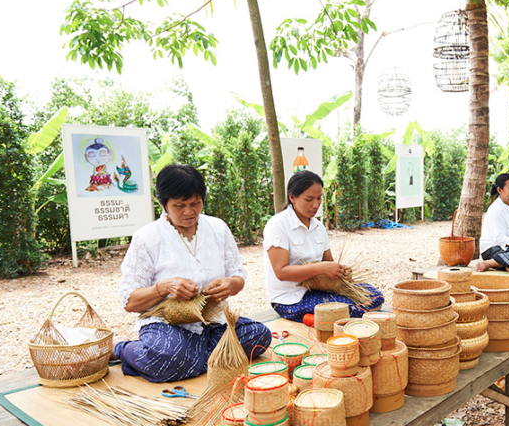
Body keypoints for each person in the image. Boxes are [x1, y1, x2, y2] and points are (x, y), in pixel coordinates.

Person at [115, 164, 271, 383]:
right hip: (167, 324)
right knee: (169, 355)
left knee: (260, 336)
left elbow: (238, 275)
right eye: (179, 206)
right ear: (164, 204)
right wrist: (163, 288)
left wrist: (231, 284)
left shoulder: (217, 228)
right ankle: (122, 347)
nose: (189, 212)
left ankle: (190, 359)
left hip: (213, 322)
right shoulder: (147, 238)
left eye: (195, 203)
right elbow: (129, 301)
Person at [264, 170, 384, 322]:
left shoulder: (318, 226)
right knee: (350, 310)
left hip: (319, 289)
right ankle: (315, 319)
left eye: (319, 198)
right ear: (292, 198)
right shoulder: (278, 225)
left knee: (375, 297)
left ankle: (320, 318)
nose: (316, 205)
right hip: (290, 298)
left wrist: (341, 271)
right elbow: (281, 272)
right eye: (309, 199)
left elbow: (328, 261)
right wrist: (321, 268)